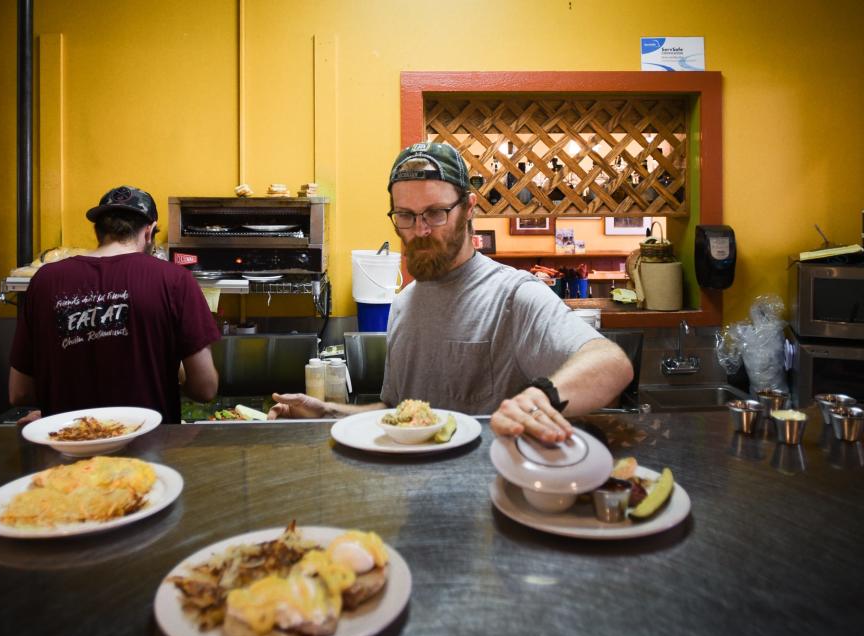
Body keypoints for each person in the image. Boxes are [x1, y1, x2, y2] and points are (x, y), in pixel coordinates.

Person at [268, 142, 633, 442]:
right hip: (415, 501)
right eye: (406, 216)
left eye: (436, 213)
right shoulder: (404, 304)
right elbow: (399, 414)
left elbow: (611, 365)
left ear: (469, 208)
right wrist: (328, 414)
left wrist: (541, 399)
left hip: (493, 502)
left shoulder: (513, 295)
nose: (420, 229)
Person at [9, 185, 220, 423]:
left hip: (69, 445)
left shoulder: (44, 281)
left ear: (98, 230)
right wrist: (174, 373)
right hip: (150, 448)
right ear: (149, 232)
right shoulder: (175, 279)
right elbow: (205, 388)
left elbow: (20, 392)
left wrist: (57, 405)